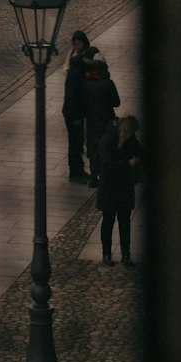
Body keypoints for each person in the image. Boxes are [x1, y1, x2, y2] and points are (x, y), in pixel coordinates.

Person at [97, 114, 142, 265]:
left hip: (123, 187)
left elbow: (140, 152)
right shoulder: (108, 139)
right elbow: (106, 163)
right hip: (110, 187)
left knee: (124, 223)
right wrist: (128, 164)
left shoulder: (130, 139)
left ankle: (126, 254)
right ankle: (106, 253)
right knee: (108, 221)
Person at [80, 47, 121, 187]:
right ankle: (104, 174)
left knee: (92, 148)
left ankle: (93, 178)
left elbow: (83, 103)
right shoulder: (108, 83)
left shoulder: (86, 84)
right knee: (106, 146)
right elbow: (117, 102)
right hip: (106, 121)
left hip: (91, 121)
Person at [62, 30, 93, 182]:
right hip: (73, 113)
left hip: (75, 111)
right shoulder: (76, 72)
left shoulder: (76, 69)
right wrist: (76, 116)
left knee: (77, 142)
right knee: (75, 143)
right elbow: (72, 95)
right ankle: (75, 173)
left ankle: (78, 170)